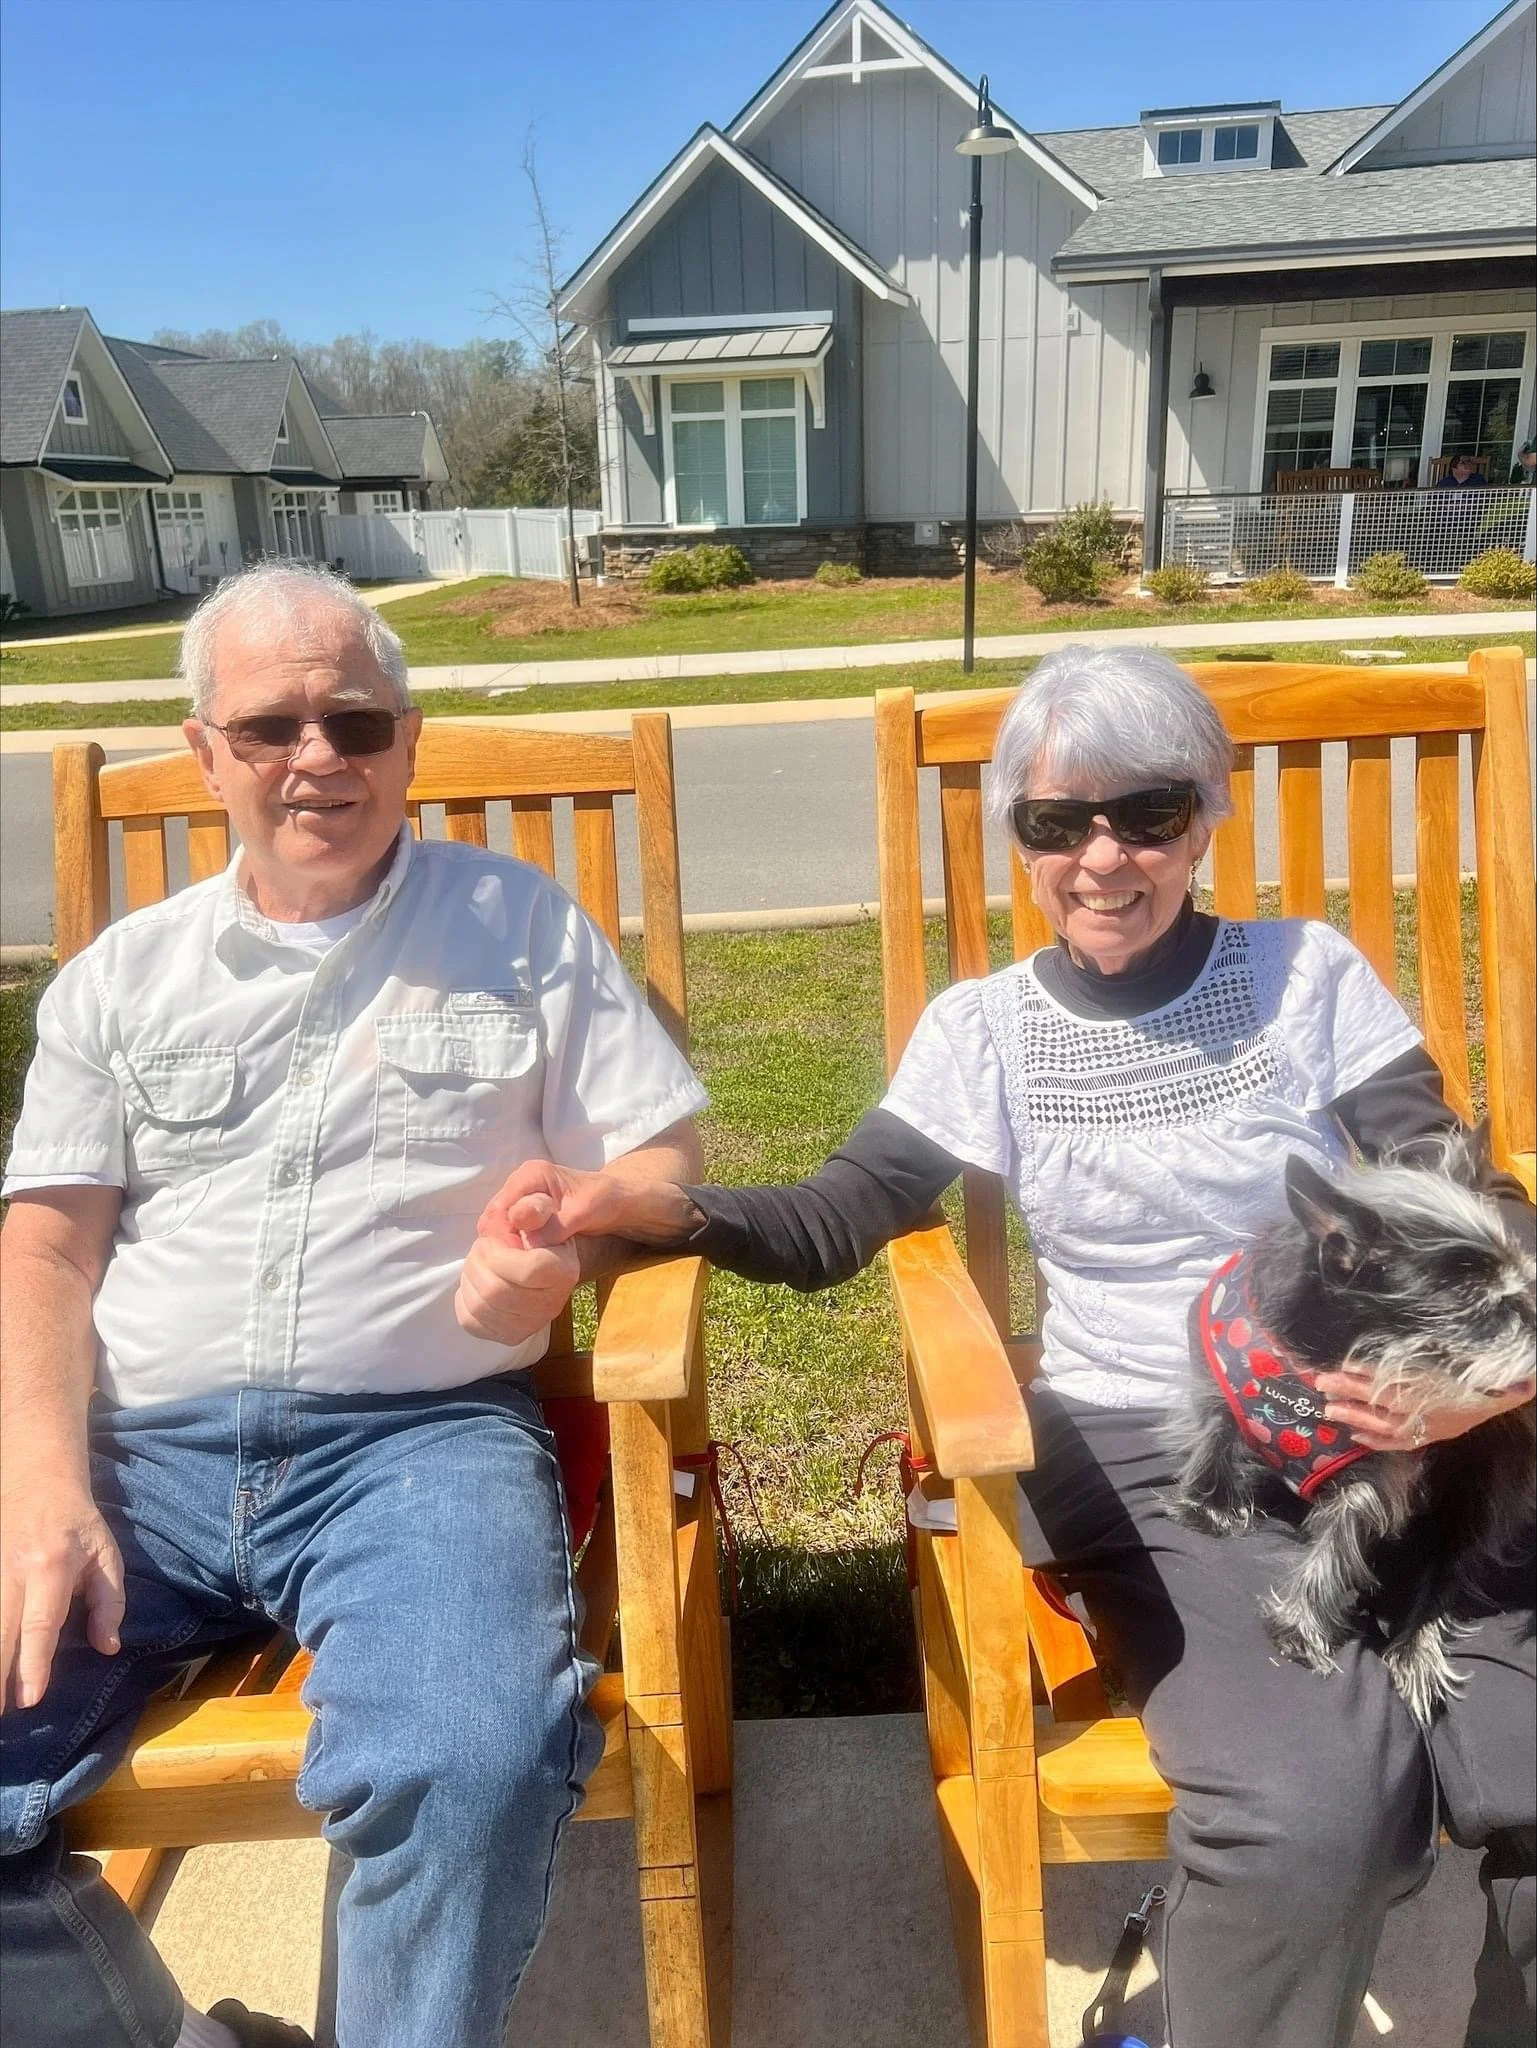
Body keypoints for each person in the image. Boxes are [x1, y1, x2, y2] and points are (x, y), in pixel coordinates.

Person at [466, 646, 1537, 2048]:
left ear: (1206, 817)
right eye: (1056, 821)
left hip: (1423, 1429)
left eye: (1148, 813)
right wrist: (649, 1204)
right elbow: (838, 1217)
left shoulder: (1307, 975)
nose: (1104, 856)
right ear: (1018, 841)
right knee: (1310, 1810)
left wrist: (1484, 1387)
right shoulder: (986, 1031)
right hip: (1160, 1452)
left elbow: (1464, 1195)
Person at [0, 564, 706, 2048]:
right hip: (140, 1459)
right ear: (205, 751)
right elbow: (47, 1250)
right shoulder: (122, 979)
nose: (319, 757)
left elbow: (662, 1157)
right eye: (270, 726)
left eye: (357, 721)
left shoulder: (521, 928)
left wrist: (569, 1227)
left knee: (474, 1756)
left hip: (418, 1447)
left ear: (410, 740)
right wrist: (42, 1481)